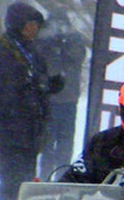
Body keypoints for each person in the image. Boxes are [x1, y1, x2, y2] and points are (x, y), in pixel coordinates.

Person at [0, 1, 65, 200]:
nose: (33, 29)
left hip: (31, 132)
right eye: (29, 24)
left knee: (26, 184)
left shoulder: (34, 54)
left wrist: (50, 86)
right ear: (16, 24)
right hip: (4, 130)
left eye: (36, 26)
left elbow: (35, 87)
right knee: (12, 182)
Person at [36, 9, 88, 181]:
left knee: (65, 143)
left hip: (66, 99)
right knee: (48, 143)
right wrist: (52, 44)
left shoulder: (75, 39)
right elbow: (39, 59)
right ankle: (45, 177)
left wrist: (61, 45)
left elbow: (77, 57)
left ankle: (62, 177)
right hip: (50, 99)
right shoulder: (42, 40)